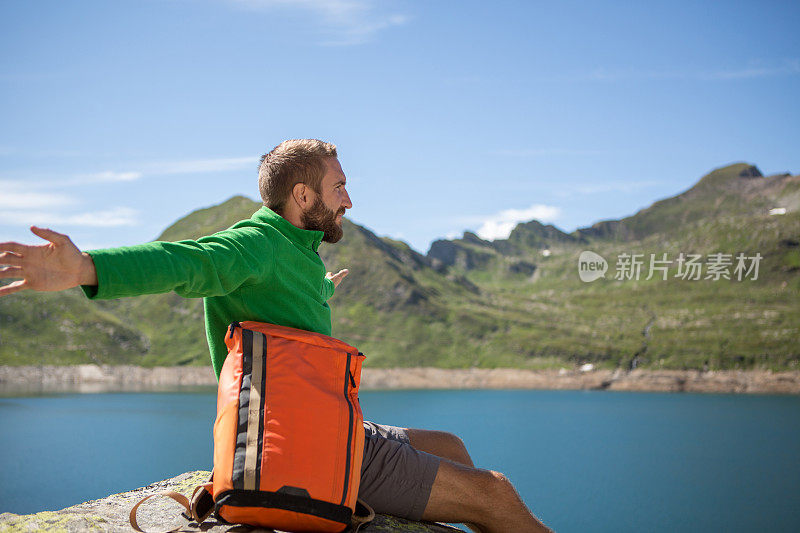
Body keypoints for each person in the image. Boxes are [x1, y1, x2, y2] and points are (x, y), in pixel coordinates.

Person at [0, 139, 552, 533]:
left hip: (326, 423)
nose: (350, 201)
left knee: (451, 447)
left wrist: (322, 293)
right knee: (494, 492)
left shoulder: (299, 252)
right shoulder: (254, 245)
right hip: (295, 445)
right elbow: (186, 262)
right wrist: (88, 268)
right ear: (302, 195)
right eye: (339, 187)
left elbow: (284, 311)